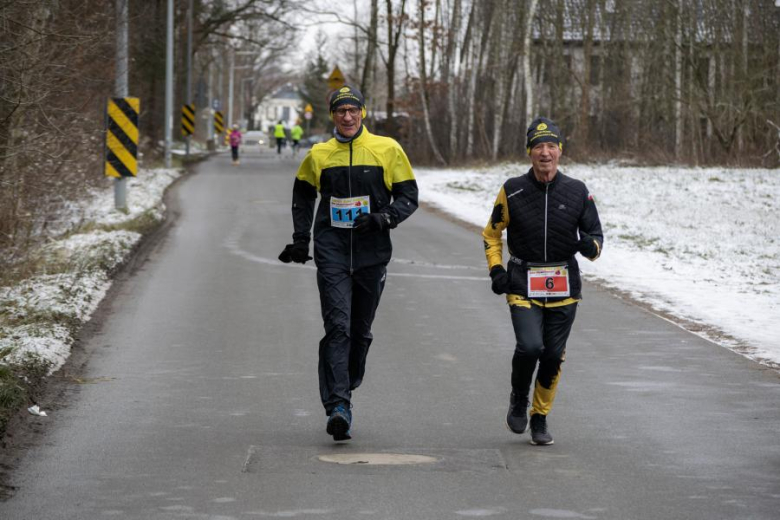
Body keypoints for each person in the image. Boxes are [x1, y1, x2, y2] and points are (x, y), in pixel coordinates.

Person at [278, 85, 418, 441]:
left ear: (363, 113)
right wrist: (300, 239)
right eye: (340, 110)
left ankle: (347, 383)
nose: (347, 116)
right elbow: (303, 195)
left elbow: (409, 196)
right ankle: (338, 405)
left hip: (372, 252)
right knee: (338, 326)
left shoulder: (387, 149)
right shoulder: (319, 154)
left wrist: (384, 218)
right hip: (333, 251)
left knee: (360, 330)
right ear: (333, 116)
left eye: (353, 109)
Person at [482, 117, 603, 446]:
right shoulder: (512, 190)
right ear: (529, 152)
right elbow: (492, 235)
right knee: (531, 346)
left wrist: (588, 247)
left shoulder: (577, 191)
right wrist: (496, 270)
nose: (545, 153)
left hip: (564, 287)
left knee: (552, 355)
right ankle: (519, 398)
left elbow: (596, 240)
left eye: (551, 146)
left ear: (560, 151)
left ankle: (540, 416)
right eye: (538, 147)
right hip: (523, 283)